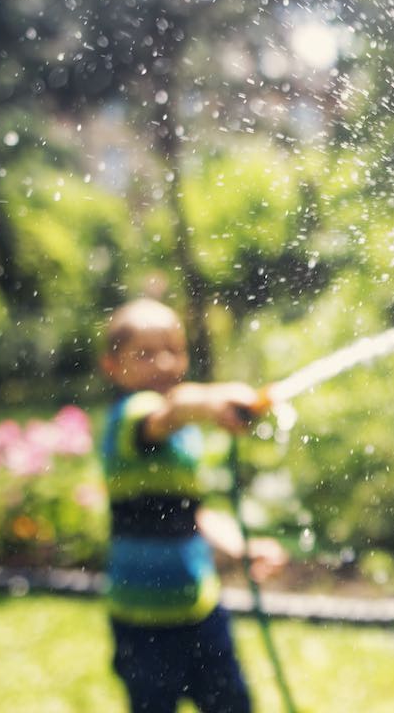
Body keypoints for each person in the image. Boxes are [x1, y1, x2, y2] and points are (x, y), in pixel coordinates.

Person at [100, 298, 288, 713]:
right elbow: (170, 412)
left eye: (173, 349)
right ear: (112, 366)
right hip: (142, 624)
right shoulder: (129, 421)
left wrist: (241, 548)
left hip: (200, 609)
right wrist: (213, 401)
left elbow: (191, 514)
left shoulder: (185, 439)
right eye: (145, 354)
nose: (163, 362)